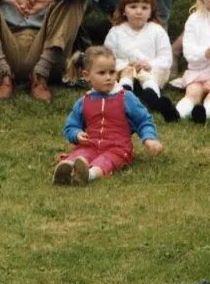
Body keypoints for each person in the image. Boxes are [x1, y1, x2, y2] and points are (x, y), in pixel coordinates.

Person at [52, 45, 163, 185]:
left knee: (106, 161)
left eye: (112, 72)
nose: (109, 77)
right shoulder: (84, 101)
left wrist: (149, 138)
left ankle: (88, 174)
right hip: (90, 145)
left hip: (117, 148)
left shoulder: (126, 98)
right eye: (102, 73)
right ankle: (67, 170)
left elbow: (143, 120)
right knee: (80, 155)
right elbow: (71, 126)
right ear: (86, 76)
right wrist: (76, 134)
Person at [103, 0, 175, 115]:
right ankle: (125, 95)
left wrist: (150, 64)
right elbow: (108, 57)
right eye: (133, 7)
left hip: (151, 70)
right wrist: (126, 65)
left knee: (148, 76)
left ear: (151, 11)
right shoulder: (116, 32)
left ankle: (151, 98)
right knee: (127, 72)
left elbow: (166, 58)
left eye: (144, 8)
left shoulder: (157, 31)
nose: (139, 12)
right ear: (124, 10)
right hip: (124, 70)